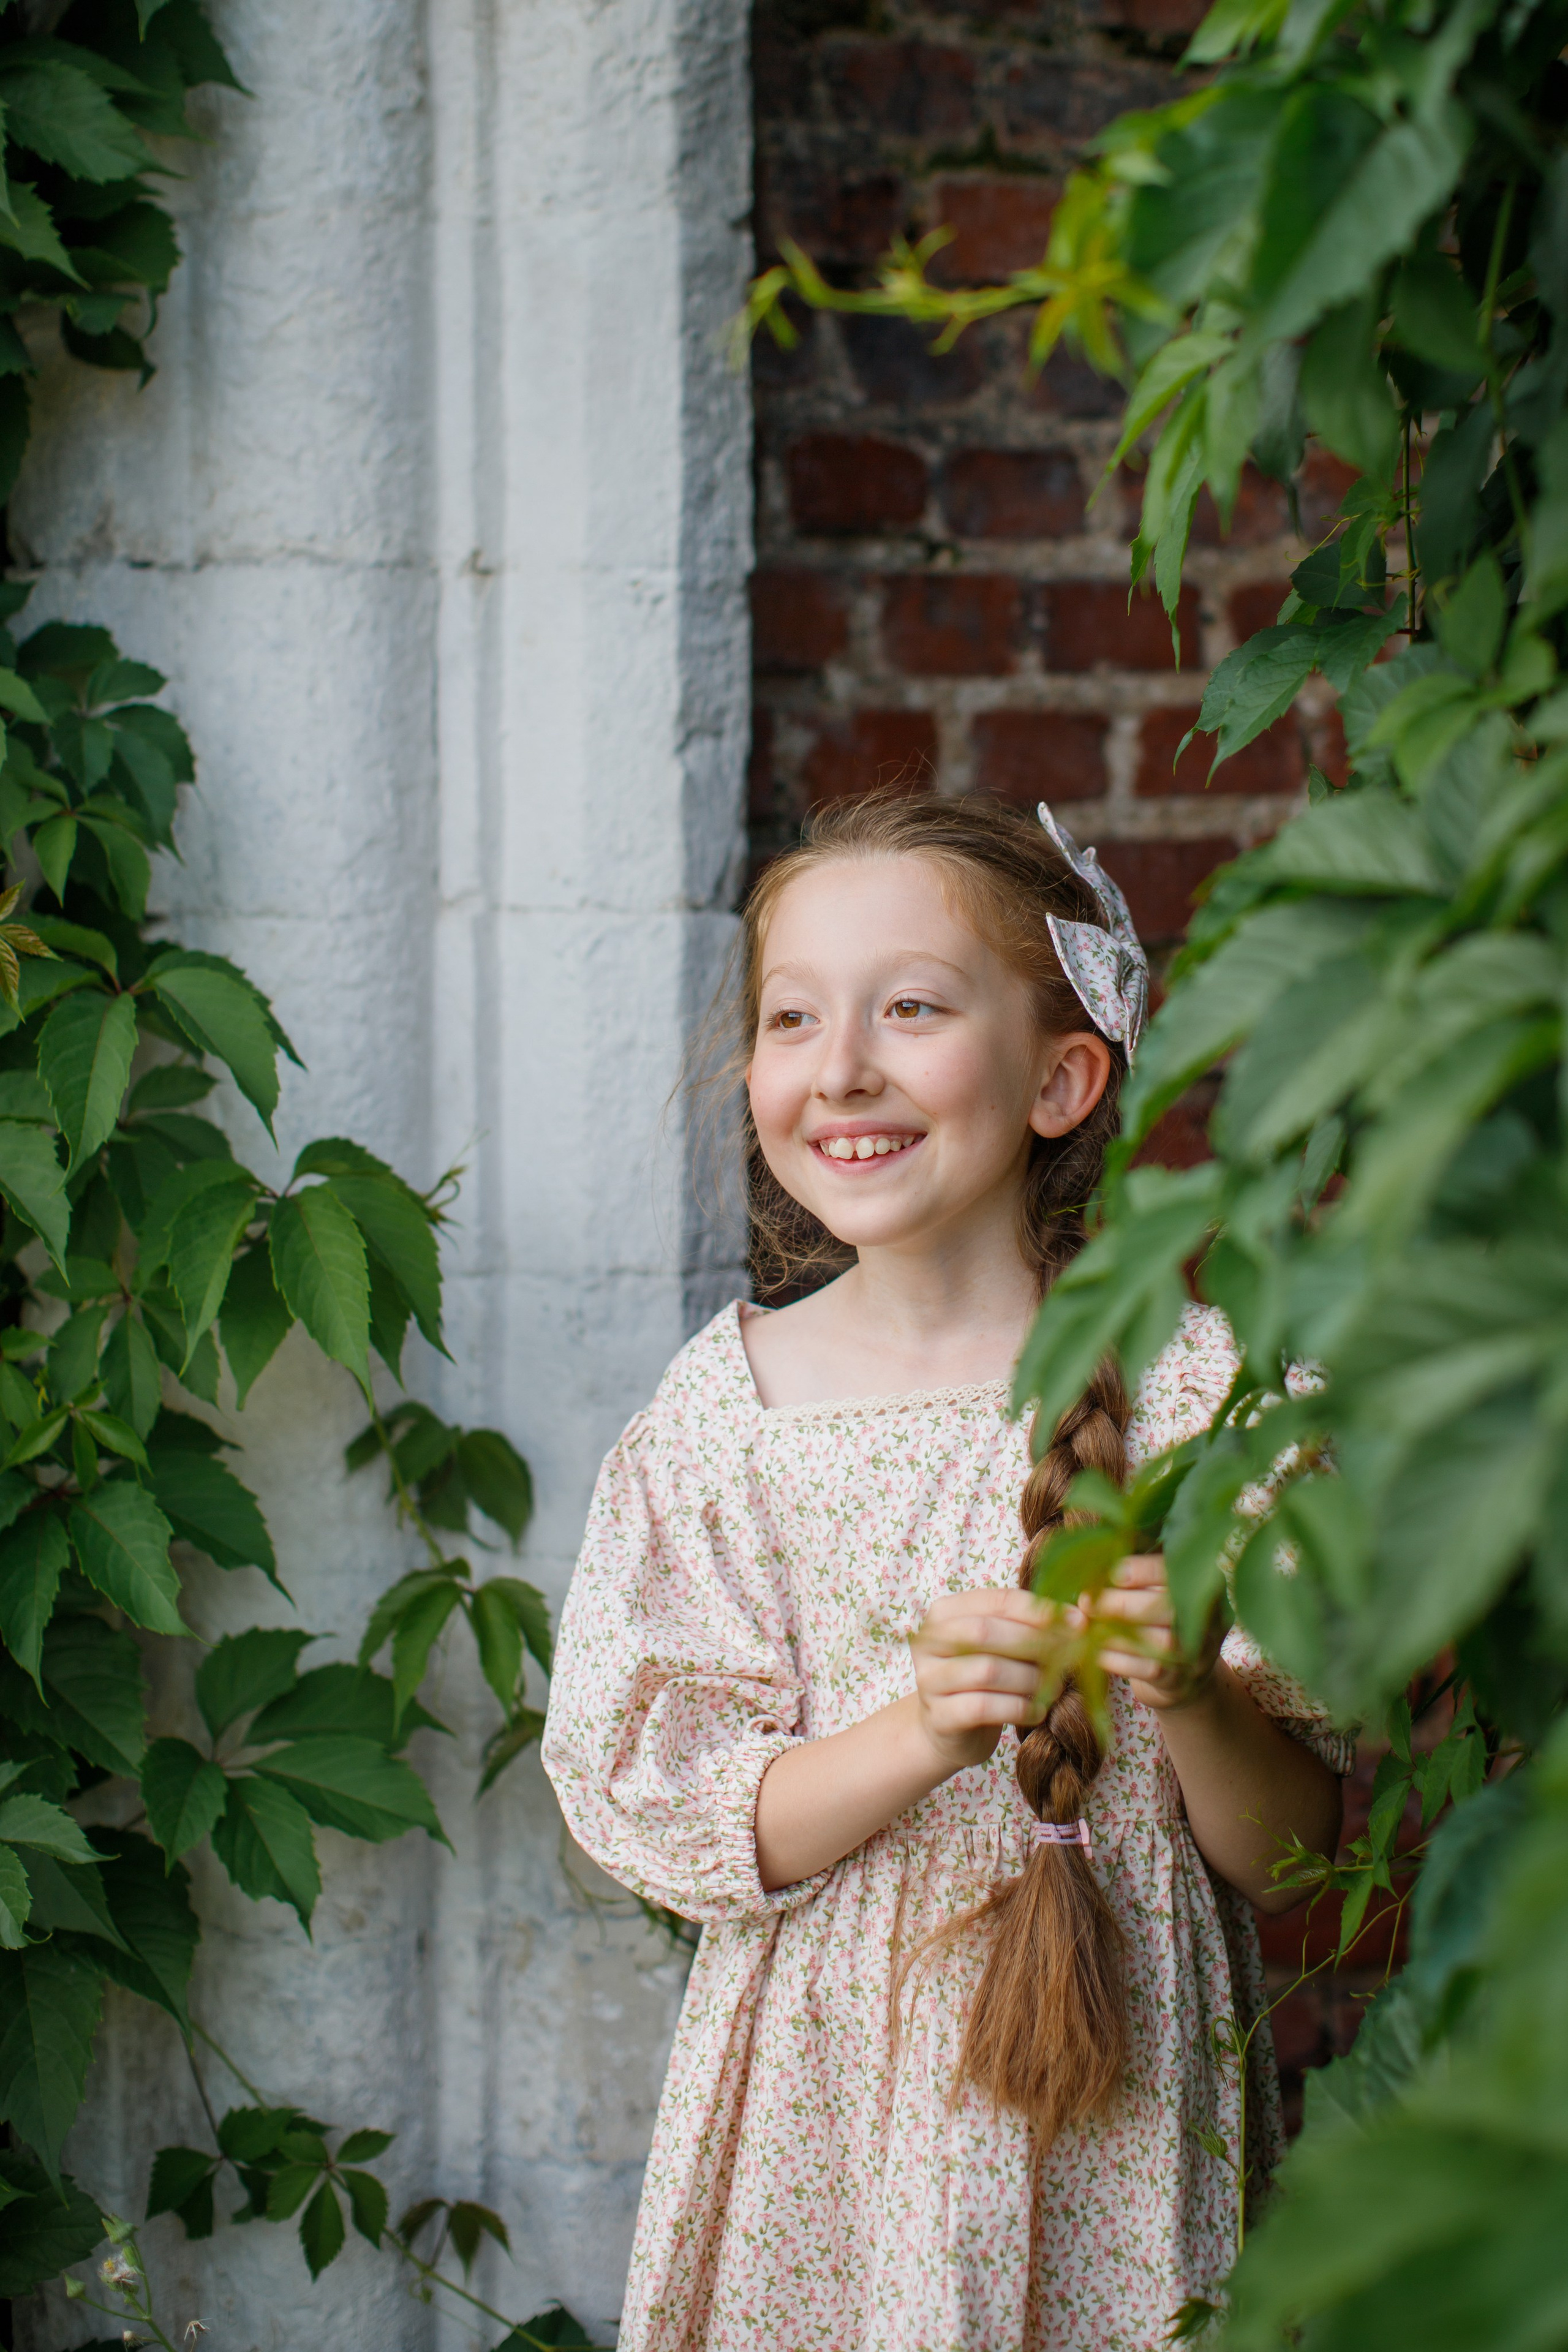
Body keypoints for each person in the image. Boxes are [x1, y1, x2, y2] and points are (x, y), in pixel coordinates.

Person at [542, 792, 1349, 2352]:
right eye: (791, 1017)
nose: (839, 1065)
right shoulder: (726, 1418)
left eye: (908, 1008)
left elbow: (1299, 1859)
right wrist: (910, 1734)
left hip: (1117, 2122)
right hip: (821, 2131)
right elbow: (679, 1814)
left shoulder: (1201, 1404)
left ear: (1061, 1075)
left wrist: (1185, 1693)